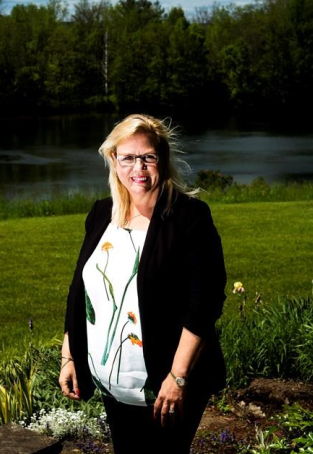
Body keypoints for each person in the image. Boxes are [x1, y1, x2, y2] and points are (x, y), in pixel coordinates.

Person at [59, 114, 227, 453]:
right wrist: (69, 355)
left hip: (168, 385)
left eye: (148, 157)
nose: (139, 167)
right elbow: (81, 290)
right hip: (114, 384)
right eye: (128, 158)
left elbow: (204, 303)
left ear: (162, 160)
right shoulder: (101, 214)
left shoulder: (189, 217)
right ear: (114, 161)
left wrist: (178, 377)